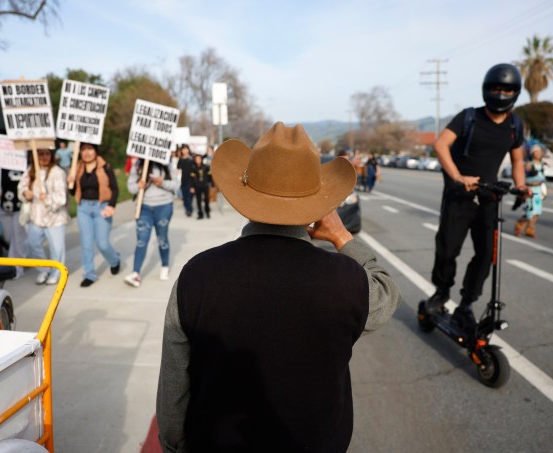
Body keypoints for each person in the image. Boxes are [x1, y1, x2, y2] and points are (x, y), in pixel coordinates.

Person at [156, 122, 401, 452]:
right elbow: (386, 294)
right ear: (316, 205)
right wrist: (343, 237)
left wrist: (174, 444)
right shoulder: (344, 280)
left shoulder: (198, 274)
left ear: (246, 194)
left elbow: (175, 381)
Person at [424, 63, 529, 333]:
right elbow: (440, 145)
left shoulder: (515, 125)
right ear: (486, 90)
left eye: (507, 89)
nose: (501, 93)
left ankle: (467, 304)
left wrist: (521, 185)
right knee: (447, 250)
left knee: (485, 255)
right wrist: (458, 177)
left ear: (515, 92)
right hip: (460, 196)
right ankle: (441, 293)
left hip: (490, 198)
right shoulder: (469, 117)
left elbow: (518, 160)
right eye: (496, 88)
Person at [67, 143, 121, 287]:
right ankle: (89, 273)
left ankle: (114, 260)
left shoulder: (105, 167)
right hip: (83, 208)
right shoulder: (77, 167)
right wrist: (70, 183)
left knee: (102, 243)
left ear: (95, 151)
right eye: (83, 149)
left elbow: (115, 189)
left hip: (102, 207)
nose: (87, 153)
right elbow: (73, 192)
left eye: (90, 149)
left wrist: (111, 205)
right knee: (86, 243)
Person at [17, 148, 69, 285]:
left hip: (55, 218)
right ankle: (44, 269)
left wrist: (47, 198)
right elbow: (21, 187)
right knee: (32, 243)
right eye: (40, 154)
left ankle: (56, 273)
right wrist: (24, 193)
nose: (44, 157)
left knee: (57, 248)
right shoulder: (30, 171)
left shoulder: (58, 172)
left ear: (51, 155)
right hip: (37, 217)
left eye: (47, 153)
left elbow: (61, 198)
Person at [124, 159, 178, 287]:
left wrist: (162, 182)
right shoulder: (137, 164)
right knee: (142, 240)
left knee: (162, 238)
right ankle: (135, 273)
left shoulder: (167, 163)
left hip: (164, 206)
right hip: (144, 207)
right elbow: (130, 187)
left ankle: (165, 265)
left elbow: (176, 185)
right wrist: (138, 186)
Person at [0, 168, 28, 277]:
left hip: (20, 208)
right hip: (4, 206)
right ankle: (22, 256)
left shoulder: (24, 165)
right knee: (9, 237)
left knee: (18, 238)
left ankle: (17, 267)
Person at [514, 143, 546, 239]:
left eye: (539, 152)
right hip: (530, 190)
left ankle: (530, 230)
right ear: (532, 153)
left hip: (538, 190)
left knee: (536, 212)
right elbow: (523, 176)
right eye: (536, 152)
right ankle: (519, 225)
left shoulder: (542, 164)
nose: (538, 153)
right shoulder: (528, 164)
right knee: (529, 212)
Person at [189, 153, 213, 219]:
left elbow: (210, 176)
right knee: (198, 200)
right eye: (196, 159)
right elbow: (191, 178)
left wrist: (211, 185)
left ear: (201, 159)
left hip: (205, 185)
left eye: (199, 159)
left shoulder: (206, 167)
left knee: (206, 199)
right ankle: (200, 214)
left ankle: (207, 212)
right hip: (197, 186)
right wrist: (192, 187)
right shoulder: (194, 168)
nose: (198, 160)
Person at [176, 145, 194, 216]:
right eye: (183, 149)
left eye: (186, 149)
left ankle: (189, 210)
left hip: (190, 180)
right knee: (184, 195)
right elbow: (178, 168)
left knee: (189, 195)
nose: (185, 151)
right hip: (183, 180)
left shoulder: (191, 159)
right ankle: (187, 208)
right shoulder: (180, 159)